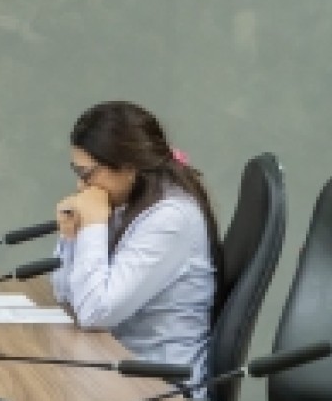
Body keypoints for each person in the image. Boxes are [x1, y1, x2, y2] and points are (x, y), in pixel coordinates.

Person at [51, 101, 220, 385]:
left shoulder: (170, 218)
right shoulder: (127, 204)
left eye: (86, 173)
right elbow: (65, 295)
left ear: (129, 168)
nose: (81, 186)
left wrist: (93, 226)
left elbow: (94, 313)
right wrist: (73, 236)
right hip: (120, 367)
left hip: (162, 388)